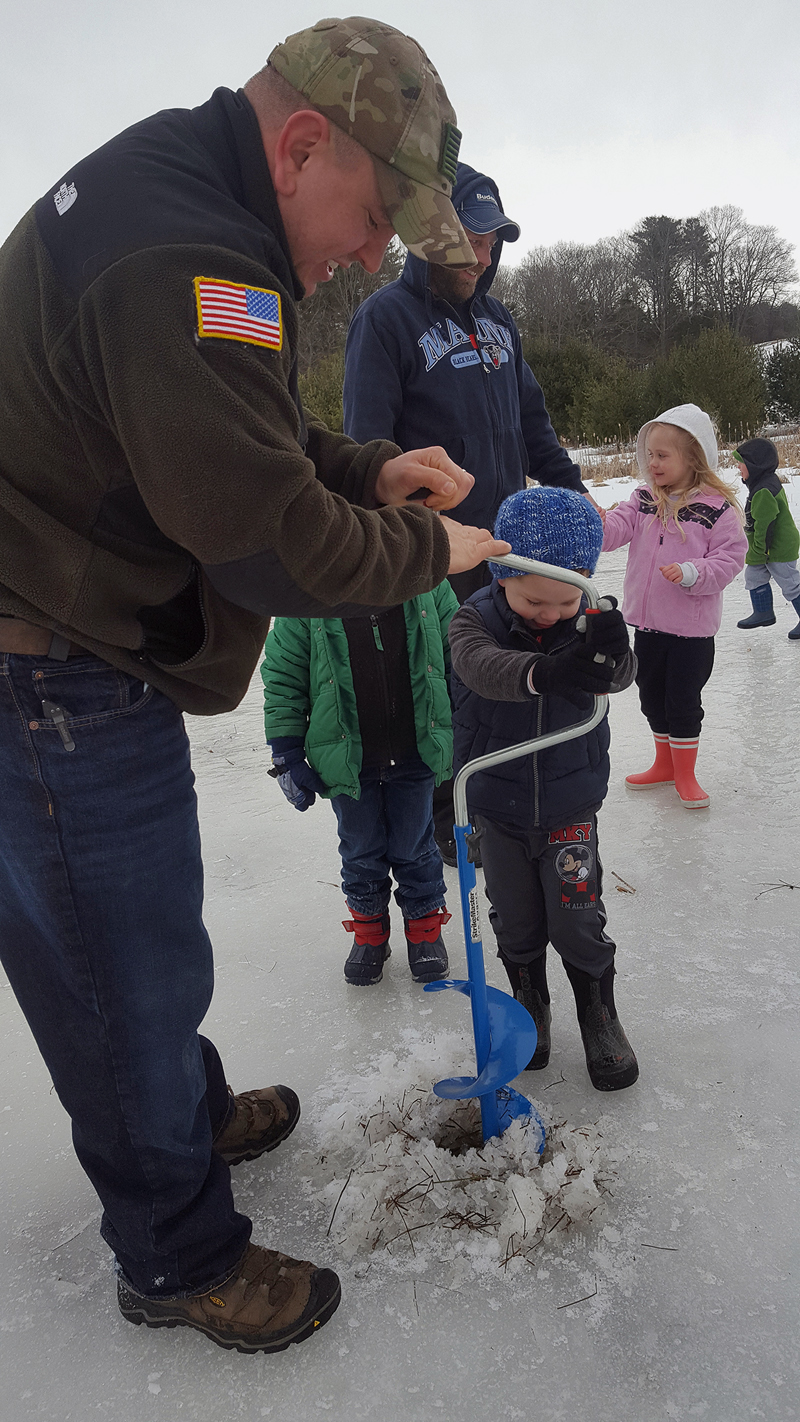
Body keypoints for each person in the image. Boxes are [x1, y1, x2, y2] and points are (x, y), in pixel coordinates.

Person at [0, 17, 513, 1354]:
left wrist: (369, 469)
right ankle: (175, 1250)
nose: (371, 255)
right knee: (115, 968)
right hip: (38, 659)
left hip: (80, 636)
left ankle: (181, 1108)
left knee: (147, 944)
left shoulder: (194, 201)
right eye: (371, 213)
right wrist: (429, 544)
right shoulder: (188, 251)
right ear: (300, 144)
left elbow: (250, 436)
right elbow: (269, 543)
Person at [343, 161, 598, 863]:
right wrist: (405, 537)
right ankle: (442, 824)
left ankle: (503, 800)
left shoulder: (498, 320)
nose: (485, 256)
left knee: (510, 671)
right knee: (446, 682)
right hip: (434, 550)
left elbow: (533, 421)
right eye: (471, 240)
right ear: (426, 239)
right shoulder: (383, 320)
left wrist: (572, 492)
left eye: (493, 242)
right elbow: (369, 449)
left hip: (509, 543)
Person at [449, 487, 640, 1092]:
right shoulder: (473, 619)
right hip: (495, 803)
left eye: (565, 600)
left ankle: (597, 1011)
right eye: (534, 599)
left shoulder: (588, 616)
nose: (550, 615)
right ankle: (531, 1004)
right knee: (518, 922)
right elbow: (480, 668)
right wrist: (544, 670)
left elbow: (621, 675)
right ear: (503, 576)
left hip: (568, 804)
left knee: (577, 919)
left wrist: (612, 654)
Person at [261, 580, 458, 986]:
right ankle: (370, 930)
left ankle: (424, 927)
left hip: (416, 750)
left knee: (415, 847)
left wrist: (472, 724)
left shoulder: (428, 583)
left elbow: (460, 657)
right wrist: (287, 752)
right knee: (360, 849)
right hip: (348, 759)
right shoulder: (304, 595)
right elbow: (284, 677)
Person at [602, 404, 747, 809]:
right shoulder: (644, 498)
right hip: (648, 626)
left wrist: (691, 572)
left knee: (682, 702)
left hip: (690, 631)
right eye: (650, 454)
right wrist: (596, 522)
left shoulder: (716, 508)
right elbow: (618, 529)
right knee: (650, 697)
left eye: (663, 456)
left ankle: (685, 773)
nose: (653, 463)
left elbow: (731, 558)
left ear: (694, 458)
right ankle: (664, 764)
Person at [732, 438, 800, 639]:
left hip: (776, 547)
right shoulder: (761, 483)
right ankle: (763, 613)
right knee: (754, 576)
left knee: (790, 583)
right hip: (766, 547)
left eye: (741, 462)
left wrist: (761, 550)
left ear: (754, 465)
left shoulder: (763, 490)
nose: (738, 466)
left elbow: (765, 525)